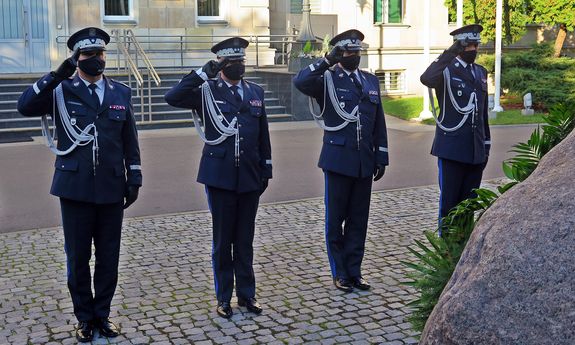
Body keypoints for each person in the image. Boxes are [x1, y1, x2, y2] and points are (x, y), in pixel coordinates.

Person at [17, 27, 142, 342]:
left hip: (112, 187)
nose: (96, 59)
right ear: (77, 58)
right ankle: (84, 318)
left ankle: (103, 315)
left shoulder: (120, 92)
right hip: (74, 188)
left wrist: (134, 176)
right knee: (77, 258)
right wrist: (59, 72)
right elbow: (25, 105)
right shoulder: (60, 91)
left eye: (100, 54)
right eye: (88, 55)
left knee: (109, 256)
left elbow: (130, 138)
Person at [165, 37, 272, 319]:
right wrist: (203, 73)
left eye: (241, 61)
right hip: (220, 176)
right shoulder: (206, 91)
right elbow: (172, 97)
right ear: (221, 64)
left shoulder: (255, 91)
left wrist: (266, 169)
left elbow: (263, 134)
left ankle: (247, 295)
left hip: (249, 175)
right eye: (232, 61)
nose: (239, 65)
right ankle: (224, 297)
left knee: (245, 240)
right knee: (223, 241)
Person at [293, 29, 389, 293]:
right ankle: (340, 272)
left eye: (357, 52)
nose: (354, 56)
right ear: (338, 53)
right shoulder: (327, 79)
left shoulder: (369, 81)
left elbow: (378, 121)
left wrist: (381, 154)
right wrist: (326, 60)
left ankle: (355, 271)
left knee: (359, 220)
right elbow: (300, 82)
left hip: (363, 161)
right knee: (336, 220)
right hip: (337, 159)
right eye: (348, 52)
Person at [420, 24, 491, 234]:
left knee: (469, 204)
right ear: (459, 47)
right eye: (468, 46)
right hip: (451, 148)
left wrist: (486, 145)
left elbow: (482, 112)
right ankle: (447, 251)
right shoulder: (446, 70)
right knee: (449, 204)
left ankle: (463, 248)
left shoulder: (480, 72)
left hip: (475, 149)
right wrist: (449, 53)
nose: (474, 50)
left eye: (476, 45)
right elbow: (426, 78)